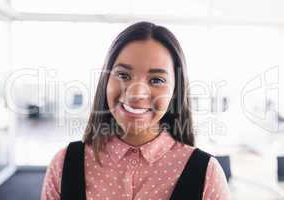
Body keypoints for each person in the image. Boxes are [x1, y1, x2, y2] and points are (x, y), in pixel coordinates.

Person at [41, 21, 231, 200]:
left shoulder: (207, 174)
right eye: (123, 75)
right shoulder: (64, 164)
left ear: (175, 91)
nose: (137, 93)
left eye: (156, 80)